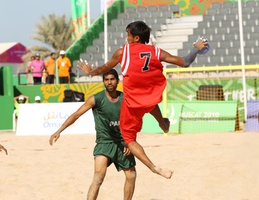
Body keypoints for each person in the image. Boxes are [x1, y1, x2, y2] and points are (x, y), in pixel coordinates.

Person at [78, 21, 208, 179]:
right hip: (151, 99)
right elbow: (185, 62)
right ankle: (163, 123)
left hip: (132, 104)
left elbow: (104, 68)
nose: (127, 37)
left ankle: (154, 168)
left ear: (136, 38)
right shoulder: (156, 51)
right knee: (151, 105)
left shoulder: (123, 52)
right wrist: (196, 47)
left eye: (129, 35)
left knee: (129, 140)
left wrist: (90, 71)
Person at [49, 69, 137, 200]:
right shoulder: (96, 99)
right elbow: (76, 114)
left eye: (112, 79)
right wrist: (59, 130)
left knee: (131, 175)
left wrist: (130, 142)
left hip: (122, 142)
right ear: (103, 82)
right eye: (106, 80)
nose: (109, 82)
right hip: (104, 143)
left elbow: (134, 120)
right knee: (98, 177)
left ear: (118, 81)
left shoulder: (126, 99)